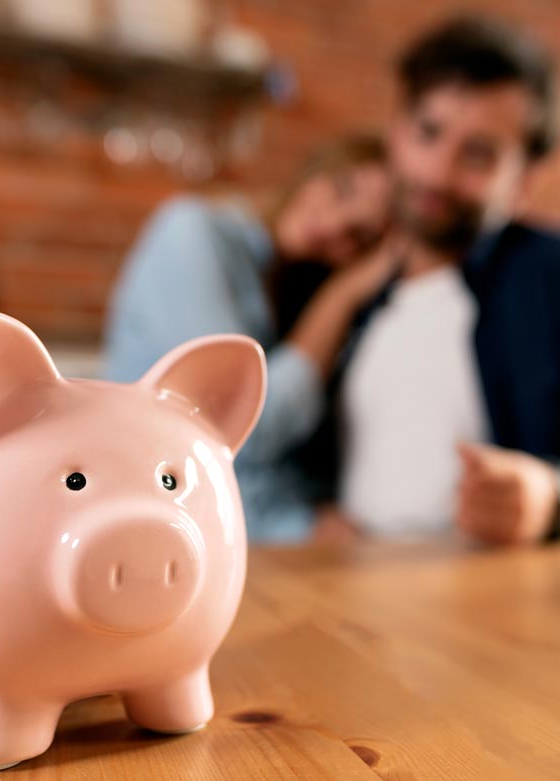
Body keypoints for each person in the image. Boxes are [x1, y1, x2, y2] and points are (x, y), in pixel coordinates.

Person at [308, 16, 560, 546]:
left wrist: (555, 496)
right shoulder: (347, 277)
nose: (438, 171)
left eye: (479, 155)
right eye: (428, 132)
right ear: (396, 131)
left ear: (524, 183)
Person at [102, 135, 399, 542]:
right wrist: (342, 296)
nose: (331, 226)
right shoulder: (192, 232)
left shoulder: (286, 282)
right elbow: (235, 436)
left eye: (359, 236)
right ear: (317, 171)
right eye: (341, 189)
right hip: (172, 524)